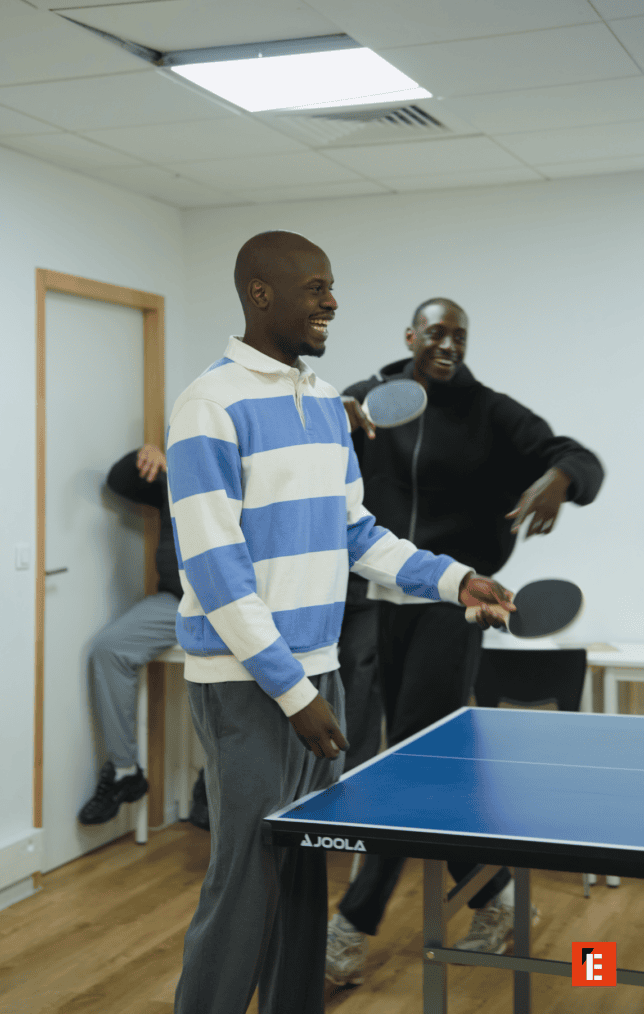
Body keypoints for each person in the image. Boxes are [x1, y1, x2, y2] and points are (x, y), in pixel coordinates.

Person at [166, 233, 515, 1014]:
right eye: (315, 287)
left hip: (316, 672)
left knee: (301, 873)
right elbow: (216, 573)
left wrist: (454, 579)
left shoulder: (323, 402)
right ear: (261, 294)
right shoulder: (207, 406)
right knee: (244, 880)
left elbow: (356, 532)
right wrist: (294, 693)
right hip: (248, 685)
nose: (331, 301)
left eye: (332, 287)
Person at [325, 297, 605, 985]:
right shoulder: (370, 399)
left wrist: (559, 480)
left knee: (405, 762)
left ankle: (351, 926)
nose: (449, 345)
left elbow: (579, 457)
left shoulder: (492, 412)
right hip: (382, 598)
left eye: (460, 335)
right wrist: (335, 416)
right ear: (411, 336)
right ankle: (499, 898)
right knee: (436, 769)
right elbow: (315, 440)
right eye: (436, 333)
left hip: (457, 602)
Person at [78, 444, 182, 825]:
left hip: (235, 606)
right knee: (108, 649)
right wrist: (146, 453)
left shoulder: (246, 475)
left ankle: (213, 785)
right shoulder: (177, 476)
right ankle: (125, 771)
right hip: (178, 602)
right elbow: (119, 482)